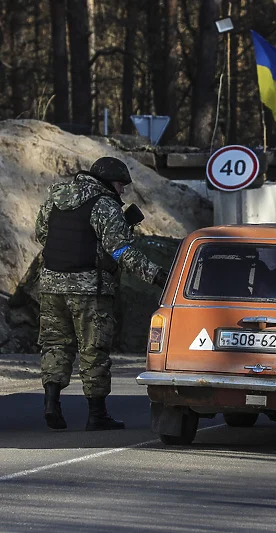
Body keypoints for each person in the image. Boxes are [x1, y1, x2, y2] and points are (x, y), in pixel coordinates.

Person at [35, 156, 168, 431]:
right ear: (109, 180)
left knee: (55, 344)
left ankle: (51, 404)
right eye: (121, 184)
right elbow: (121, 251)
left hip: (51, 286)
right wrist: (158, 276)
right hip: (89, 290)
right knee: (93, 349)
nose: (122, 191)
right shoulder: (105, 205)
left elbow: (41, 234)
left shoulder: (56, 197)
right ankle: (97, 415)